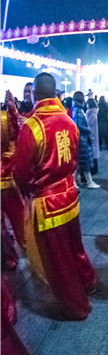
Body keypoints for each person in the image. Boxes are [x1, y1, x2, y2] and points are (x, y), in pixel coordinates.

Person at [13, 72, 98, 320]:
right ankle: (89, 281)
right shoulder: (69, 121)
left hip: (48, 204)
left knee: (58, 263)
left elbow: (21, 172)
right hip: (70, 196)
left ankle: (77, 307)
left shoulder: (32, 127)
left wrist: (30, 190)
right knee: (76, 248)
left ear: (34, 94)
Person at [1, 90, 25, 268]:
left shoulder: (5, 118)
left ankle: (10, 257)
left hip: (6, 177)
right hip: (7, 176)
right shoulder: (5, 118)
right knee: (18, 219)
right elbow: (17, 138)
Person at [71, 91, 99, 189]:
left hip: (81, 139)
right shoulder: (79, 110)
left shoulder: (76, 109)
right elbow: (78, 125)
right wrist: (87, 129)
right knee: (84, 161)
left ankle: (76, 181)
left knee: (80, 162)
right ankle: (89, 182)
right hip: (82, 139)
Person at [86, 98, 100, 174]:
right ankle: (95, 169)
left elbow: (88, 123)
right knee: (93, 153)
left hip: (92, 135)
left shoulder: (92, 113)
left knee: (93, 153)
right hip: (93, 134)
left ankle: (94, 169)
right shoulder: (92, 112)